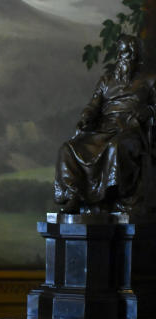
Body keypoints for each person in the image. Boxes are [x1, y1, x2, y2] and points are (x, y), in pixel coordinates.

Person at [54, 34, 156, 215]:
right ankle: (74, 195)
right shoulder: (106, 81)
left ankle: (109, 198)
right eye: (119, 53)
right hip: (102, 128)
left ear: (134, 56)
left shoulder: (150, 81)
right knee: (67, 148)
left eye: (124, 53)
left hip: (131, 129)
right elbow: (93, 105)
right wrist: (86, 116)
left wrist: (147, 112)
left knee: (115, 147)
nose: (120, 58)